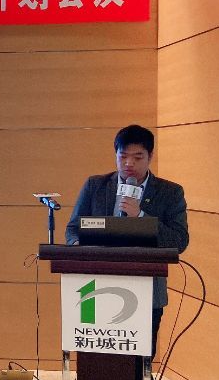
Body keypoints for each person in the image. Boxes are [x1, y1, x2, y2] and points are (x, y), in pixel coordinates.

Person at [65, 124, 189, 357]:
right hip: (95, 288)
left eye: (137, 157)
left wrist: (140, 216)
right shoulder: (96, 186)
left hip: (146, 292)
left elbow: (179, 240)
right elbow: (74, 229)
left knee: (138, 362)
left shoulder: (170, 193)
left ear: (150, 156)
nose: (129, 163)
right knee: (96, 360)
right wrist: (77, 248)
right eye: (123, 156)